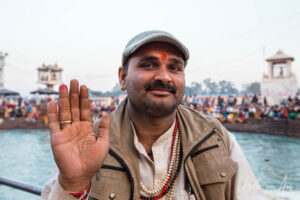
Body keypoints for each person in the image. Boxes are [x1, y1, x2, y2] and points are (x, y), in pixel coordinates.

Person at [42, 30, 268, 200]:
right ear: (122, 77)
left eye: (175, 68)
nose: (164, 77)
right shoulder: (88, 144)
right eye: (149, 65)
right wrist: (74, 183)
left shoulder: (215, 137)